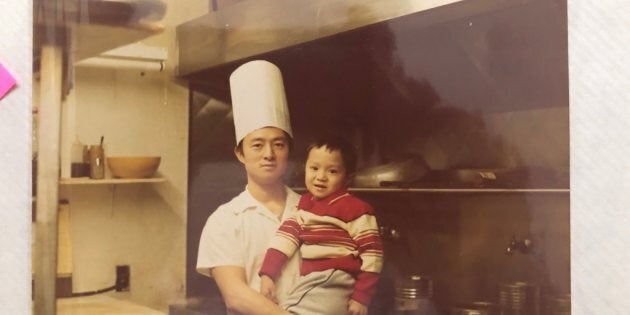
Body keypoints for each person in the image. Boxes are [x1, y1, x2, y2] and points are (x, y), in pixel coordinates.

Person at [196, 60, 300, 315]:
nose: (269, 154)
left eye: (278, 144)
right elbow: (236, 296)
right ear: (240, 154)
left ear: (288, 152)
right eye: (257, 145)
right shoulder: (224, 220)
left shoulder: (311, 210)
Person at [259, 134, 384, 315]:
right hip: (313, 280)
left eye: (332, 171)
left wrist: (361, 297)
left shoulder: (355, 209)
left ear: (348, 177)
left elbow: (373, 255)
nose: (320, 177)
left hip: (334, 275)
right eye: (314, 168)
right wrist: (267, 274)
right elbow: (284, 238)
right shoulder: (305, 205)